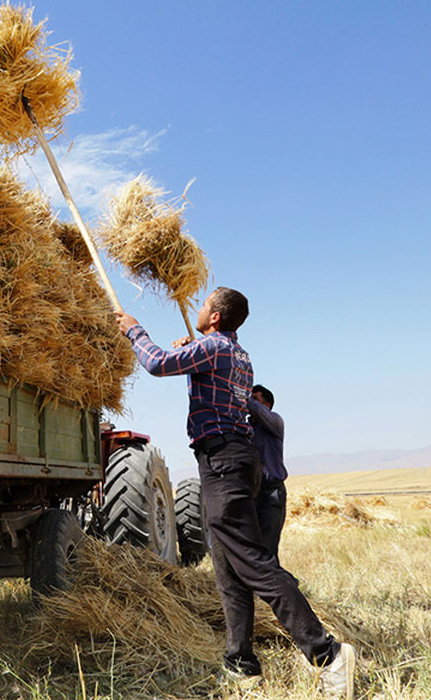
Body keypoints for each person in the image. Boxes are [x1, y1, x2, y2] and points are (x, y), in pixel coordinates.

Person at [116, 288, 355, 698]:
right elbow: (208, 379)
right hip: (230, 460)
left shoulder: (214, 348)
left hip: (223, 460)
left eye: (204, 304)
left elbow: (156, 364)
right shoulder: (235, 354)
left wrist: (134, 330)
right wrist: (193, 351)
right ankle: (240, 663)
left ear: (214, 317)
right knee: (228, 571)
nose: (198, 307)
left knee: (253, 563)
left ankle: (326, 653)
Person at [249, 384, 288, 564]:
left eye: (255, 399)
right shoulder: (246, 429)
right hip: (253, 494)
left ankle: (285, 588)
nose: (250, 402)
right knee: (253, 548)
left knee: (268, 550)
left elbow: (254, 409)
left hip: (272, 493)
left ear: (267, 405)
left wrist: (240, 396)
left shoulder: (275, 422)